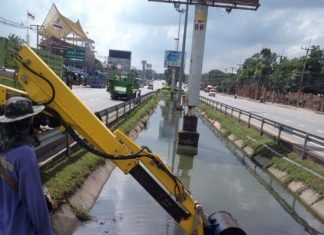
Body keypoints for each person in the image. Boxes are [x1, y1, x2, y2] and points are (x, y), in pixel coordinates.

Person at [0, 96, 53, 235]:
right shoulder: (24, 155)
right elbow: (34, 202)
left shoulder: (3, 148)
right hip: (22, 228)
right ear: (28, 122)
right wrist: (46, 232)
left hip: (5, 224)